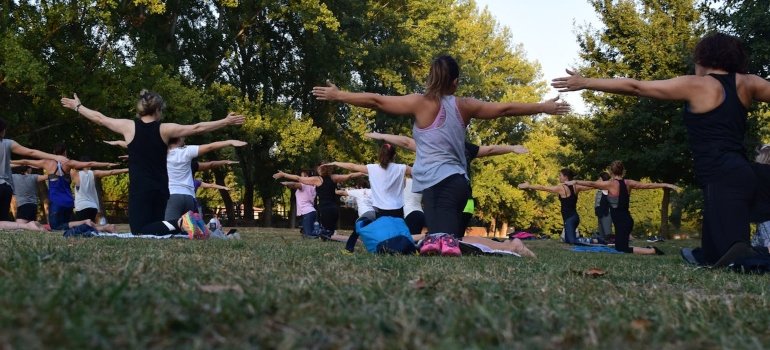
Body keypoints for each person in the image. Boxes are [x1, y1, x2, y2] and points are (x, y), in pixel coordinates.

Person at [313, 55, 568, 257]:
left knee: (446, 242)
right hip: (457, 184)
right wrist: (542, 107)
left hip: (440, 186)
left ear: (430, 78)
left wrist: (339, 95)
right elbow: (504, 109)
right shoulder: (464, 105)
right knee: (442, 241)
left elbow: (377, 101)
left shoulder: (419, 103)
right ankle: (505, 246)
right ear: (454, 82)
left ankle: (510, 247)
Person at [553, 32, 770, 265]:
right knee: (713, 255)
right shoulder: (749, 82)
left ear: (704, 58)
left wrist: (586, 82)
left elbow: (636, 87)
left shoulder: (698, 85)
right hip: (741, 174)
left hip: (722, 179)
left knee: (735, 257)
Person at [61, 90, 244, 234]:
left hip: (141, 188)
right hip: (162, 189)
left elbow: (100, 118)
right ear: (158, 110)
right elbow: (197, 128)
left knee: (140, 230)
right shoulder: (165, 129)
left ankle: (181, 222)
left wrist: (79, 107)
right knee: (158, 228)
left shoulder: (128, 126)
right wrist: (225, 122)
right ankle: (186, 224)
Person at [568, 161, 679, 255]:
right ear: (623, 171)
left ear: (611, 172)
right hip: (625, 220)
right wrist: (667, 185)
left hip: (622, 222)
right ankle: (649, 249)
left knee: (621, 249)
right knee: (619, 246)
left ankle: (653, 251)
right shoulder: (628, 183)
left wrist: (576, 181)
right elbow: (648, 185)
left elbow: (591, 183)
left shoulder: (609, 184)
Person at [13, 144, 118, 230]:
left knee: (55, 226)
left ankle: (85, 222)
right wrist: (108, 163)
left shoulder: (47, 162)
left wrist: (10, 162)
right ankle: (103, 227)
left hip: (56, 202)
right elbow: (90, 163)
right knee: (68, 225)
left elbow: (25, 162)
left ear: (54, 153)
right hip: (68, 201)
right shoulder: (69, 163)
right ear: (65, 152)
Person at [0, 118, 69, 222]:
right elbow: (31, 152)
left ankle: (26, 226)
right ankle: (28, 226)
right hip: (6, 187)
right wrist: (55, 157)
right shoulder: (8, 143)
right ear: (2, 131)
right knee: (2, 221)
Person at [165, 137, 246, 221]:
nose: (184, 138)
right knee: (189, 230)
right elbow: (210, 154)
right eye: (182, 137)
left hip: (172, 196)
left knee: (170, 227)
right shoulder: (187, 154)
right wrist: (229, 143)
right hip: (190, 198)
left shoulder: (160, 155)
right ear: (178, 140)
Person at [273, 166, 365, 240]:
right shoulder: (334, 177)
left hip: (325, 210)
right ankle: (352, 239)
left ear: (321, 170)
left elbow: (297, 179)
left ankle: (353, 240)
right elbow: (350, 176)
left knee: (326, 235)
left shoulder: (317, 180)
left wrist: (283, 175)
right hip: (334, 210)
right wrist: (363, 172)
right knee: (329, 234)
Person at [323, 143, 411, 219]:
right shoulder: (402, 168)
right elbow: (419, 172)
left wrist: (335, 163)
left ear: (380, 155)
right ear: (394, 156)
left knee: (383, 233)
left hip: (380, 209)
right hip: (397, 208)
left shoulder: (372, 168)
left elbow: (352, 166)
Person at [518, 168, 591, 245]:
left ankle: (592, 240)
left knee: (572, 242)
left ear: (566, 177)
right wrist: (600, 184)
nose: (559, 177)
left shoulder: (561, 188)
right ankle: (584, 239)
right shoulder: (576, 187)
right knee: (567, 240)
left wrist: (529, 186)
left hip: (570, 220)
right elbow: (591, 186)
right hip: (574, 218)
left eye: (560, 175)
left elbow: (543, 188)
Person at [71, 157, 128, 232]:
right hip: (93, 207)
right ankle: (106, 227)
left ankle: (107, 227)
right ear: (89, 165)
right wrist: (127, 169)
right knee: (90, 229)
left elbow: (67, 166)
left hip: (81, 207)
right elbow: (111, 172)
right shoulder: (94, 173)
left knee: (82, 229)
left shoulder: (75, 174)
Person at [281, 169, 320, 237]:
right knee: (305, 232)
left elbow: (295, 184)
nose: (301, 178)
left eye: (303, 176)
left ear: (308, 177)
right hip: (310, 212)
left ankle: (323, 233)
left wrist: (286, 183)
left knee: (309, 235)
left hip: (307, 212)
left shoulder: (304, 185)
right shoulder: (313, 186)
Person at [751, 146, 770, 252]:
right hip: (763, 216)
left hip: (765, 216)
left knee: (766, 245)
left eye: (758, 154)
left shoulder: (757, 169)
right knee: (757, 244)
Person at [594, 171, 613, 239]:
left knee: (607, 233)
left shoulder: (607, 190)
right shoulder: (600, 189)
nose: (598, 181)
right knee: (602, 234)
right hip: (600, 213)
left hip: (606, 214)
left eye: (600, 179)